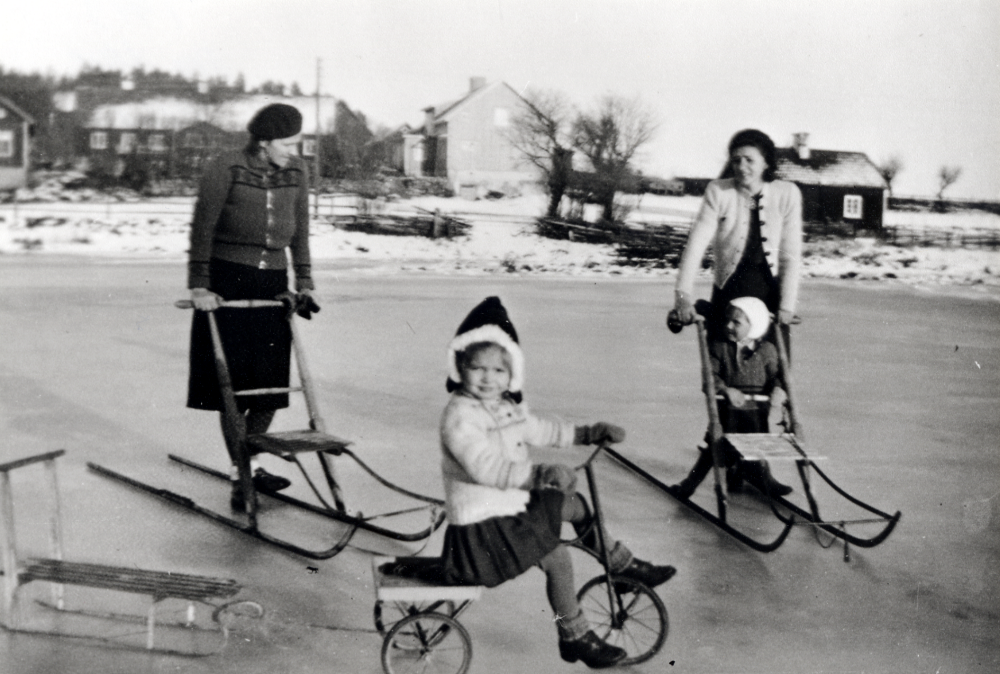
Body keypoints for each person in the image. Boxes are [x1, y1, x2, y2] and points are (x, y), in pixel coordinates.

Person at [437, 296, 676, 668]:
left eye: (498, 370)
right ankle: (573, 634)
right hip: (482, 529)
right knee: (557, 559)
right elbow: (484, 466)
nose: (488, 378)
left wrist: (587, 433)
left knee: (576, 505)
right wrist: (538, 474)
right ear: (459, 367)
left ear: (511, 372)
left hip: (507, 510)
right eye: (476, 368)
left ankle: (620, 564)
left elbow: (543, 429)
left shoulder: (506, 406)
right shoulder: (460, 415)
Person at [185, 103, 320, 510]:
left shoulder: (297, 171)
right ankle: (239, 473)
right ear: (263, 142)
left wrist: (306, 282)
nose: (292, 151)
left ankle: (252, 463)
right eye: (285, 143)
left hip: (271, 283)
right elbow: (202, 228)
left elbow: (300, 232)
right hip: (227, 280)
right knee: (234, 389)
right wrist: (199, 286)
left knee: (271, 388)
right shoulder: (224, 167)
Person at [671, 129, 802, 347]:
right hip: (729, 290)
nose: (741, 167)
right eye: (736, 160)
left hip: (769, 295)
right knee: (722, 364)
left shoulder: (787, 193)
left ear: (766, 162)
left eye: (749, 160)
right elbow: (696, 246)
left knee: (771, 368)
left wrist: (787, 306)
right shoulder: (719, 191)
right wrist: (682, 297)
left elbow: (791, 255)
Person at [672, 297, 792, 500]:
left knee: (756, 446)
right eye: (728, 320)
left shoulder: (767, 351)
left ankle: (762, 477)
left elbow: (777, 377)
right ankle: (689, 484)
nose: (728, 326)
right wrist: (726, 390)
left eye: (736, 322)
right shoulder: (720, 347)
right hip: (728, 413)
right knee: (715, 451)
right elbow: (710, 377)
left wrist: (779, 390)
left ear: (754, 325)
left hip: (756, 412)